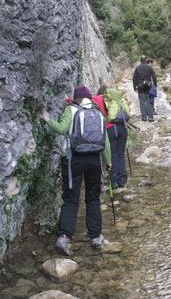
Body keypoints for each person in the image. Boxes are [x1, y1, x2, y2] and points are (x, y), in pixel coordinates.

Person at [40, 85, 111, 256]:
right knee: (93, 198)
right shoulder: (98, 112)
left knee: (71, 199)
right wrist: (108, 163)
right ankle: (95, 237)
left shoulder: (71, 110)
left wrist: (47, 118)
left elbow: (62, 129)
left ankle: (64, 238)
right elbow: (105, 141)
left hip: (74, 160)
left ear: (76, 98)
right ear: (89, 98)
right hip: (95, 160)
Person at [102, 86, 131, 192]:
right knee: (121, 154)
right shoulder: (120, 99)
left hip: (111, 129)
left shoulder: (104, 100)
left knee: (113, 155)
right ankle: (122, 180)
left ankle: (114, 182)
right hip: (123, 127)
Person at [133, 55, 157, 121]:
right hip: (148, 86)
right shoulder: (149, 67)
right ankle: (150, 117)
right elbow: (154, 77)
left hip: (140, 87)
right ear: (146, 60)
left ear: (140, 61)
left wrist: (134, 87)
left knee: (142, 101)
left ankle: (144, 117)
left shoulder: (137, 68)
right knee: (149, 101)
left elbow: (134, 78)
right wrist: (155, 85)